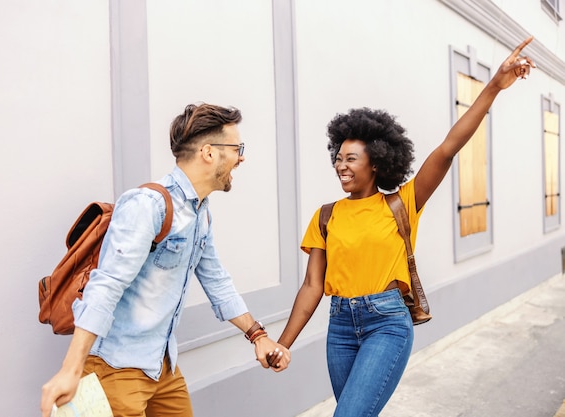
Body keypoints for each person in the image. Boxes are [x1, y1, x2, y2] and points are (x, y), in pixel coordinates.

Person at [276, 37, 536, 417]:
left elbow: (448, 147)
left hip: (387, 324)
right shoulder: (326, 215)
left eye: (351, 158)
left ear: (376, 162)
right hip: (341, 330)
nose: (340, 165)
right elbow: (312, 285)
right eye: (338, 158)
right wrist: (284, 343)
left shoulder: (402, 202)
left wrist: (494, 85)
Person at [40, 103, 290, 417]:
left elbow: (217, 280)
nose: (242, 157)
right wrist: (70, 369)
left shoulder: (200, 212)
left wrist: (258, 336)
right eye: (237, 148)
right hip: (117, 368)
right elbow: (105, 286)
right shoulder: (148, 205)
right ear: (209, 153)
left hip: (163, 367)